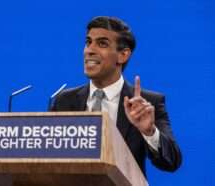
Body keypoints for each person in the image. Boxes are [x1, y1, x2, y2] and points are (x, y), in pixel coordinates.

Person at [50, 16, 182, 176]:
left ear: (123, 55)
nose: (89, 50)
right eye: (88, 42)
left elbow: (172, 161)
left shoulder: (146, 104)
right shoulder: (64, 100)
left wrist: (149, 132)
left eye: (102, 44)